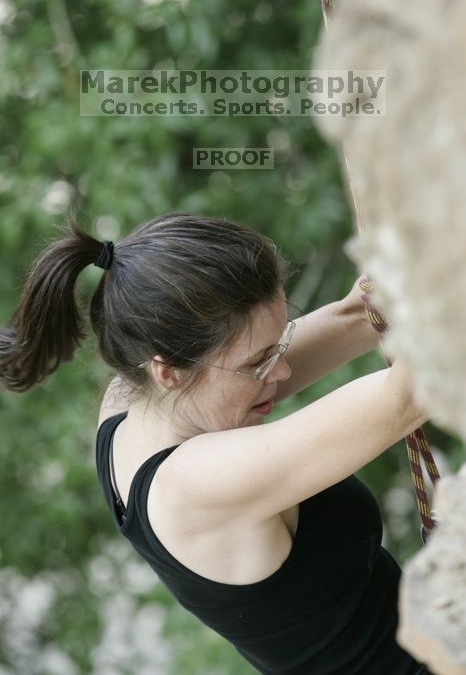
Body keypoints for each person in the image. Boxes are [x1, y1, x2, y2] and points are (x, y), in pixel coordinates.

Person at [0, 210, 433, 675]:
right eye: (258, 363)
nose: (280, 372)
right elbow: (410, 395)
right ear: (168, 371)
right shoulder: (195, 487)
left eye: (279, 346)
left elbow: (357, 318)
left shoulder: (131, 400)